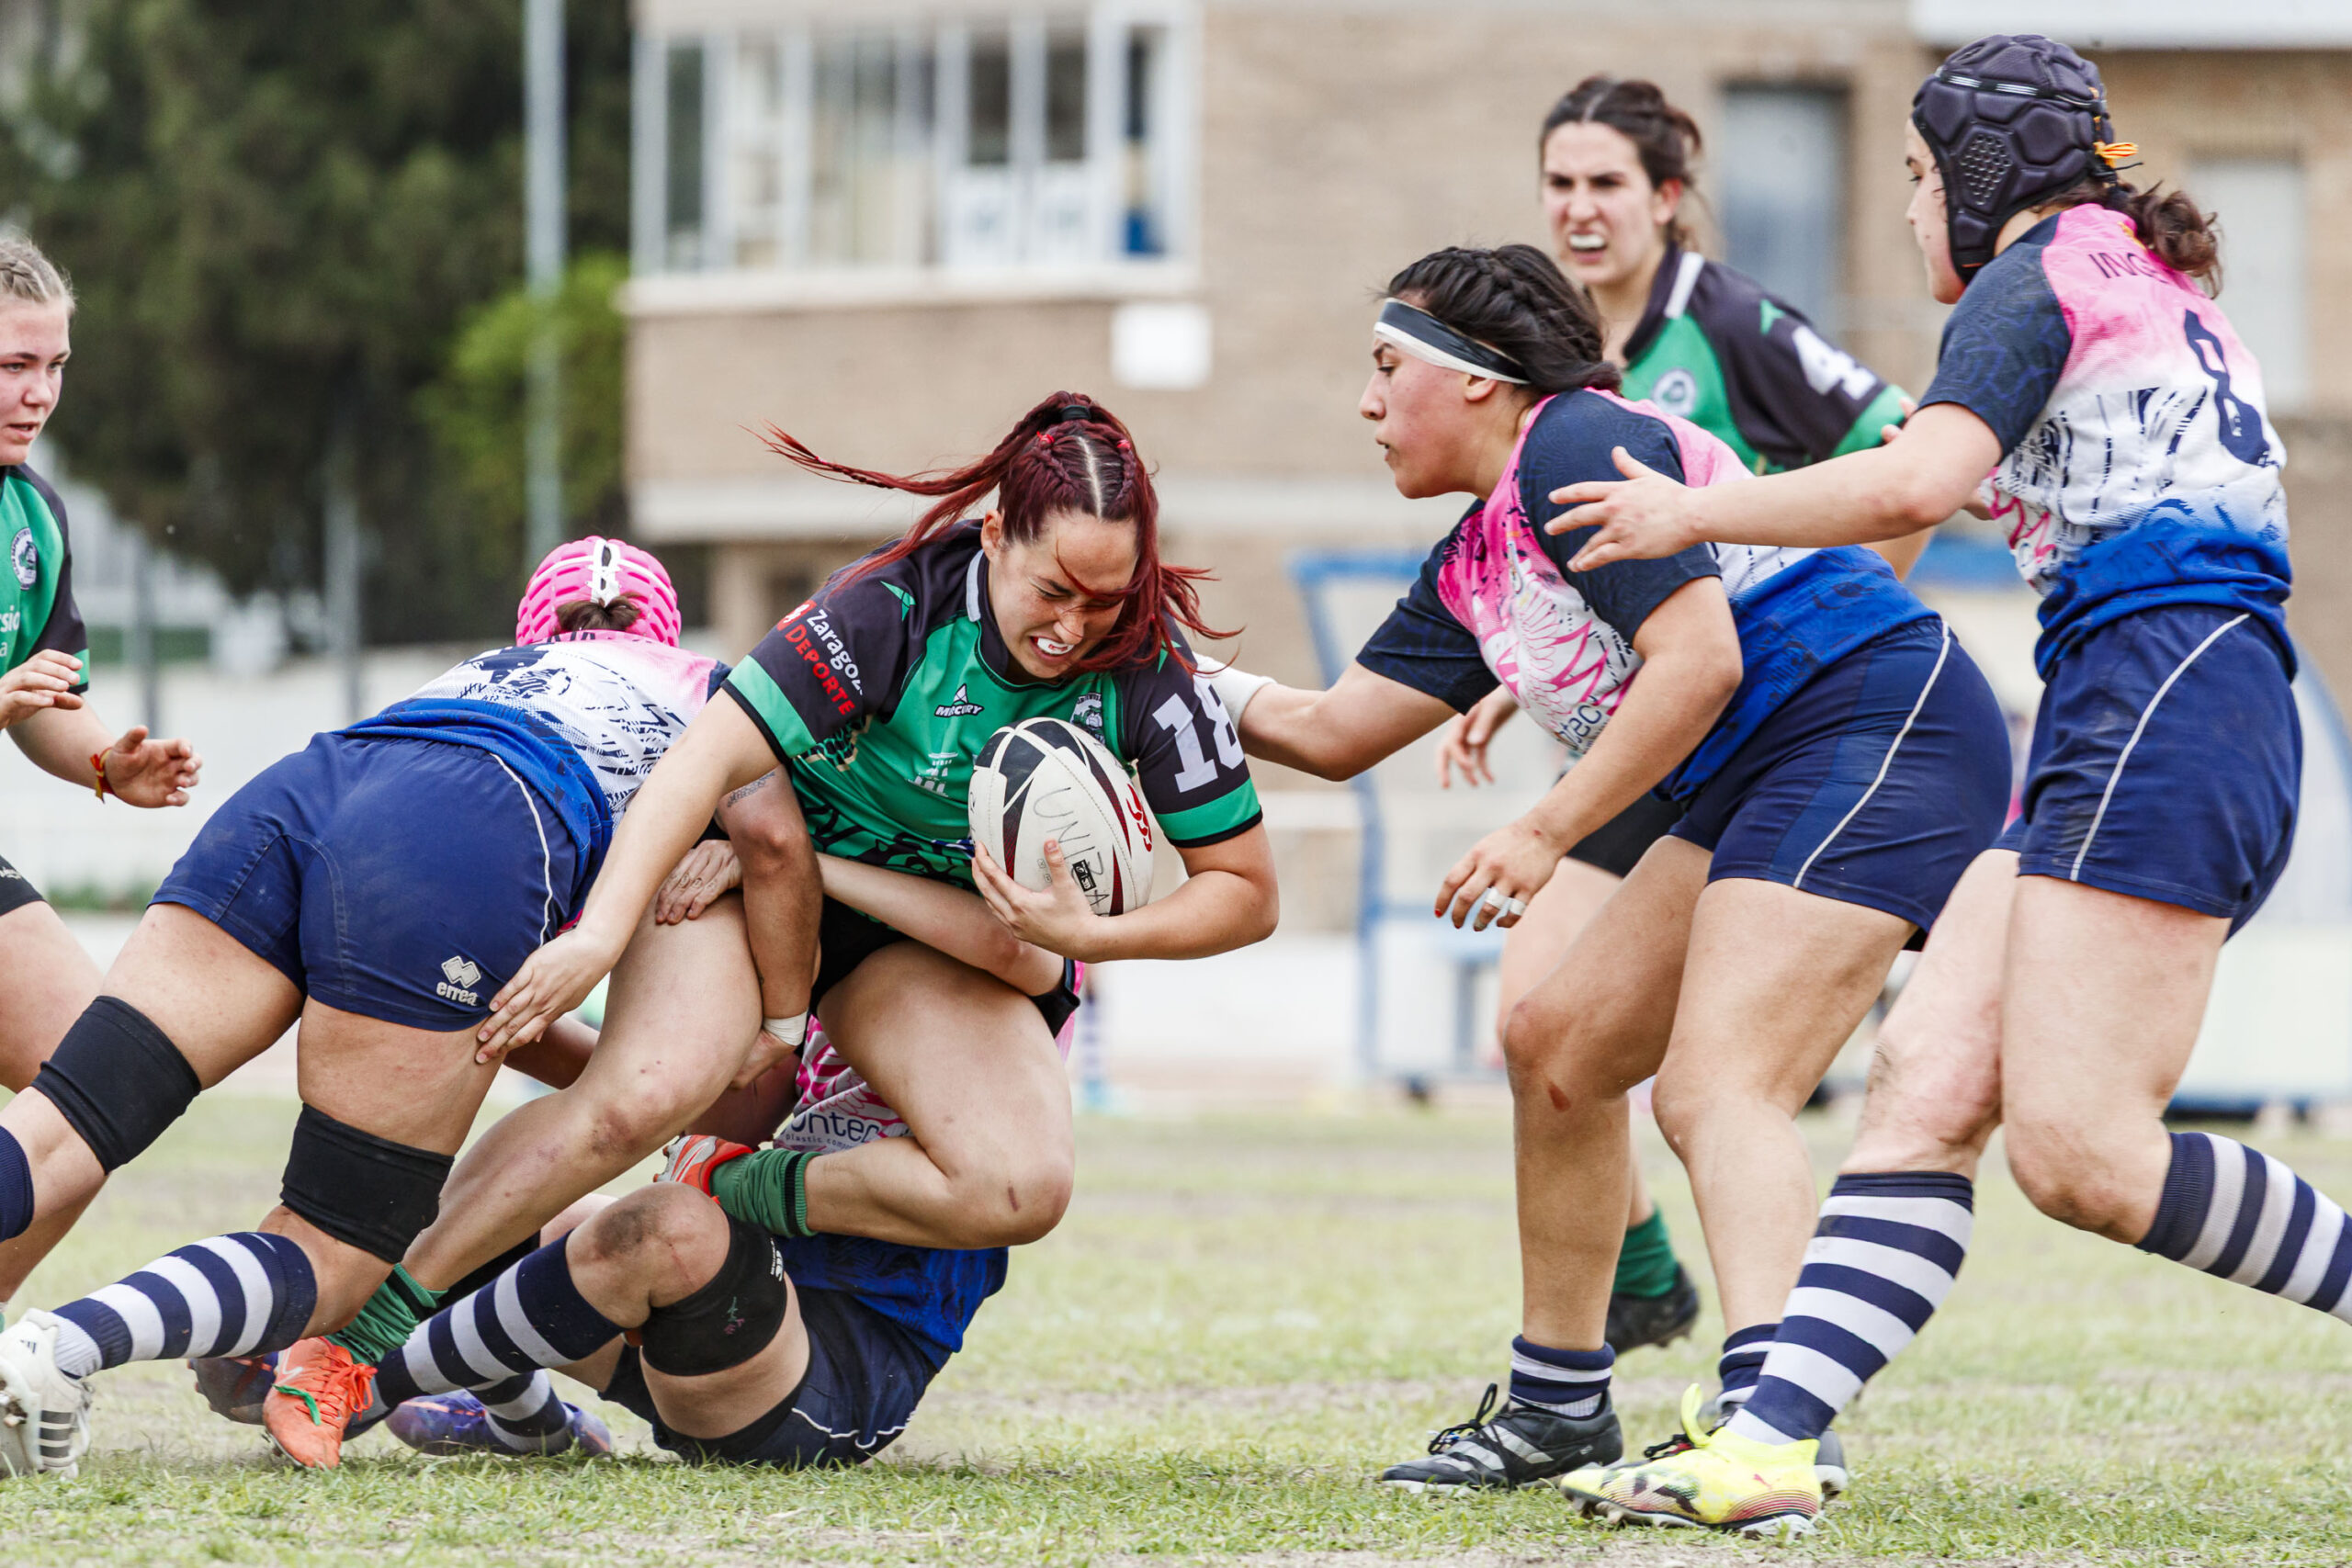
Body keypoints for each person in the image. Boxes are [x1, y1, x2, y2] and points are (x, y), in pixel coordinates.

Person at [1554, 35, 2310, 1538]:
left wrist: (1691, 513)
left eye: (1915, 175)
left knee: (2083, 1155)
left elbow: (1911, 482)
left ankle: (1769, 1432)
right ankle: (1770, 1443)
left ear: (1979, 172)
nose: (1909, 211)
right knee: (1927, 1082)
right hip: (2139, 696)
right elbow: (1924, 469)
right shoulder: (2126, 272)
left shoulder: (2040, 276)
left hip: (2164, 692)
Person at [1210, 243, 2007, 1495]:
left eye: (1385, 368)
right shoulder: (1476, 555)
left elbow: (1700, 661)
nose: (1366, 402)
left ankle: (1774, 1428)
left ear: (1478, 379)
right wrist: (1140, 667)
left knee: (1718, 1082)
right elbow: (1329, 732)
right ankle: (1558, 1408)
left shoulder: (1575, 440)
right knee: (1557, 1047)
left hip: (1874, 720)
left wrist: (1540, 831)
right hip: (1767, 761)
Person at [0, 537, 741, 1479]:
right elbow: (479, 986)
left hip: (306, 789)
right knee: (336, 1258)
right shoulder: (710, 696)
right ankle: (59, 1349)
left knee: (61, 1128)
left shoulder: (489, 671)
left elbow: (475, 1005)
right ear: (666, 635)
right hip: (466, 833)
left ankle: (518, 1409)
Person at [1432, 78, 1938, 1354]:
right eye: (1560, 184)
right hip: (1657, 734)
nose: (1579, 208)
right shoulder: (1554, 358)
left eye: (1607, 183)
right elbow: (1587, 577)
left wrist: (1836, 628)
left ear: (1665, 198)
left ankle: (1722, 1335)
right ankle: (1642, 1281)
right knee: (1538, 1020)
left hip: (1763, 714)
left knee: (1697, 1071)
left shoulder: (1728, 322)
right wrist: (1510, 677)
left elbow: (1903, 455)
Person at [365, 844, 1086, 1469]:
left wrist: (725, 1181)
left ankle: (358, 1382)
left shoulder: (1008, 948)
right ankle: (529, 1424)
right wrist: (503, 1016)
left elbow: (1019, 953)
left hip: (822, 1374)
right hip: (716, 1308)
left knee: (667, 1227)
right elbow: (709, 1096)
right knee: (492, 1200)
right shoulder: (830, 955)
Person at [0, 233, 205, 1320]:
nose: (38, 394)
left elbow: (40, 696)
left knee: (96, 1083)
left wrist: (104, 761)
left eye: (54, 366)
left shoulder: (32, 516)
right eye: (11, 365)